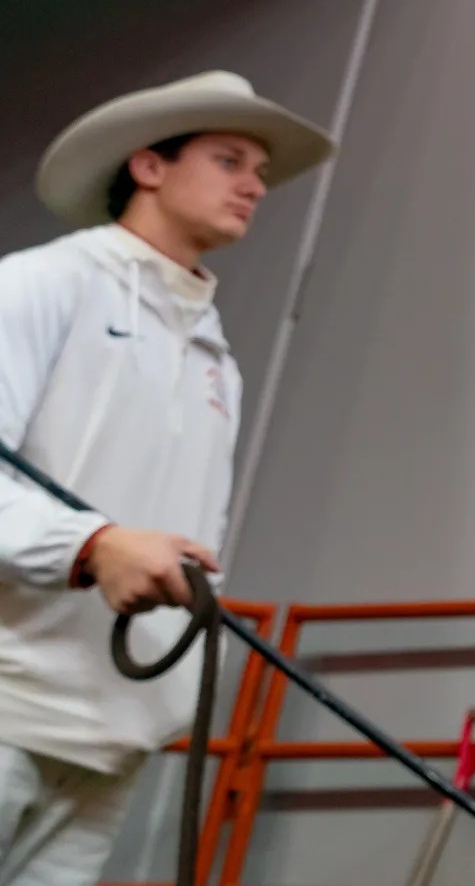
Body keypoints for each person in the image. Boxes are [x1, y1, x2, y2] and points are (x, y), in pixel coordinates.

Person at [0, 73, 333, 886]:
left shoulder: (215, 353)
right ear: (148, 166)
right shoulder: (41, 285)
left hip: (118, 729)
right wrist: (90, 543)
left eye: (257, 168)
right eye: (230, 159)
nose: (255, 184)